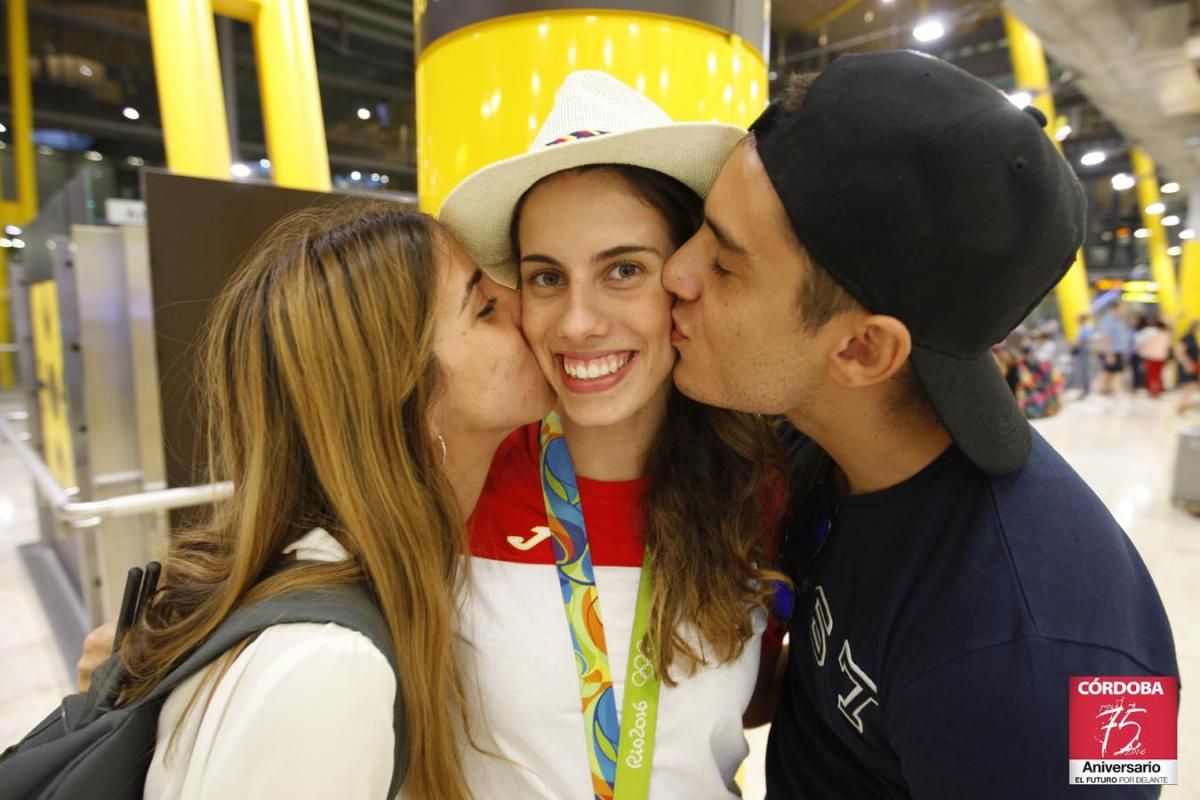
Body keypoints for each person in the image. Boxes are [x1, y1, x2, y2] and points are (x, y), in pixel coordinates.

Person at [663, 51, 1178, 798]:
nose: (677, 272)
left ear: (864, 349)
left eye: (725, 263)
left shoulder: (1063, 657)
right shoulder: (823, 447)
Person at [113, 202, 553, 799]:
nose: (527, 307)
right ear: (408, 399)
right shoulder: (325, 667)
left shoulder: (361, 587)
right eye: (485, 307)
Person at [440, 72, 786, 798]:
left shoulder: (761, 481)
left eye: (622, 270)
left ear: (688, 278)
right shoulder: (464, 474)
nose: (575, 322)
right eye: (545, 278)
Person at [1097, 302, 1134, 394]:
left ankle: (1107, 390)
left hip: (1118, 351)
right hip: (1112, 351)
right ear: (1116, 308)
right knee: (1108, 372)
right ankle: (1104, 389)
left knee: (1112, 372)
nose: (1125, 310)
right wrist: (1110, 354)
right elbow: (1106, 337)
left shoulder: (1119, 320)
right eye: (1123, 308)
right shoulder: (1109, 319)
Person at [1135, 317, 1172, 398]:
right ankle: (1157, 391)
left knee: (1151, 375)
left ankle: (1152, 392)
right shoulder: (1166, 335)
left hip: (1151, 357)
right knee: (1158, 375)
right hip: (1161, 358)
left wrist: (1141, 351)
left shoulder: (1150, 333)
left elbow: (1141, 343)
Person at [1175, 320, 1200, 413]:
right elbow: (1179, 351)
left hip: (1193, 365)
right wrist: (1187, 363)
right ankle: (1180, 407)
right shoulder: (1187, 337)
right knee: (1189, 386)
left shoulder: (1193, 338)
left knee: (1192, 386)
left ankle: (1182, 406)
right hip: (1187, 365)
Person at [1073, 312, 1096, 396]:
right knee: (1082, 371)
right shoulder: (1081, 328)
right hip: (1081, 352)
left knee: (1085, 371)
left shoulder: (1087, 328)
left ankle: (1087, 389)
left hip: (1085, 351)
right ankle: (1085, 389)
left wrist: (1079, 342)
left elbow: (1089, 339)